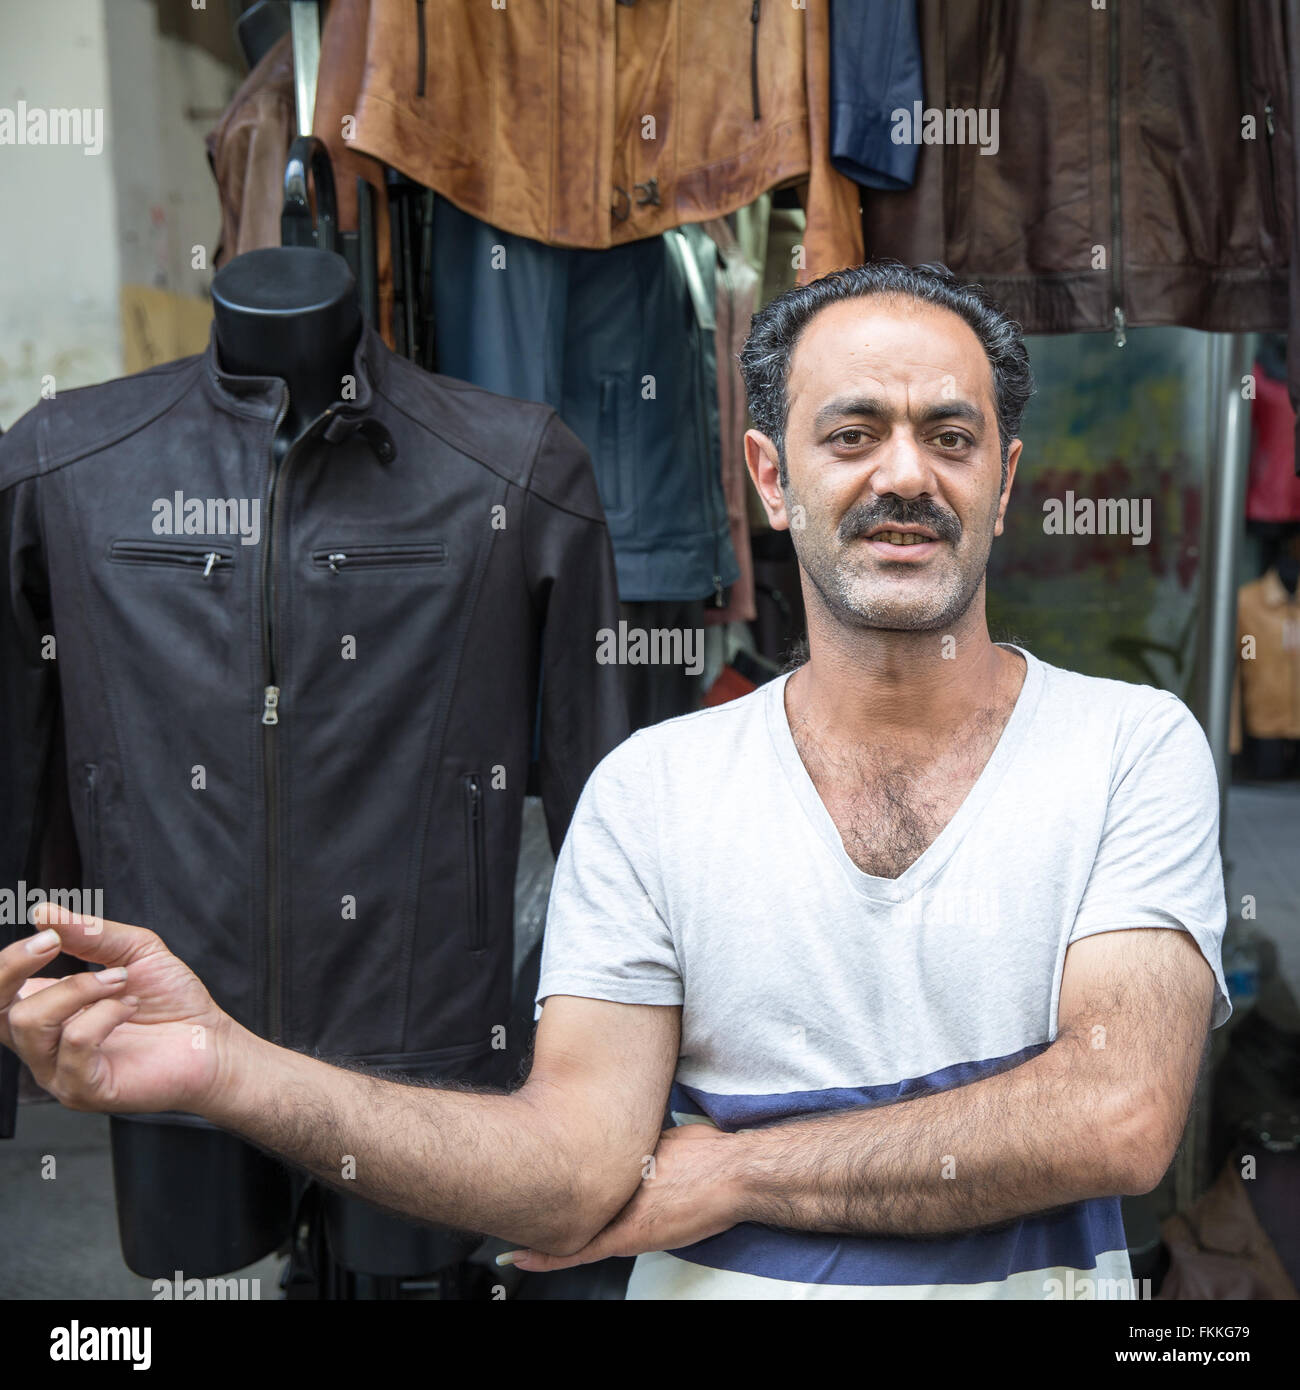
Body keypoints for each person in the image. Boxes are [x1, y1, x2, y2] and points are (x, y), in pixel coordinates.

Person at [1, 261, 1229, 1300]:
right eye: (850, 434)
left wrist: (736, 1169)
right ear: (766, 474)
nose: (902, 475)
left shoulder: (1129, 746)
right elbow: (574, 1166)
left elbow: (1116, 1115)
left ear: (1004, 481)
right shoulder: (654, 788)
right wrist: (225, 1065)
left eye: (948, 436)